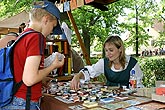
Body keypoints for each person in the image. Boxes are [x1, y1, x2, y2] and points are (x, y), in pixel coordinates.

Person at [1, 1, 64, 110]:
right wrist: (53, 66)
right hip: (24, 102)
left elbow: (21, 72)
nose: (51, 31)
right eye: (53, 26)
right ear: (46, 20)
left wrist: (41, 79)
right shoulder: (37, 37)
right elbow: (29, 79)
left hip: (14, 99)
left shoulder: (23, 36)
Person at [70, 35, 144, 90]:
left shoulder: (132, 64)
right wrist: (78, 76)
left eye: (111, 50)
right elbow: (90, 71)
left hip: (129, 99)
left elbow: (138, 86)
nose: (108, 54)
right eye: (106, 50)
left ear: (120, 49)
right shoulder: (104, 62)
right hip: (109, 98)